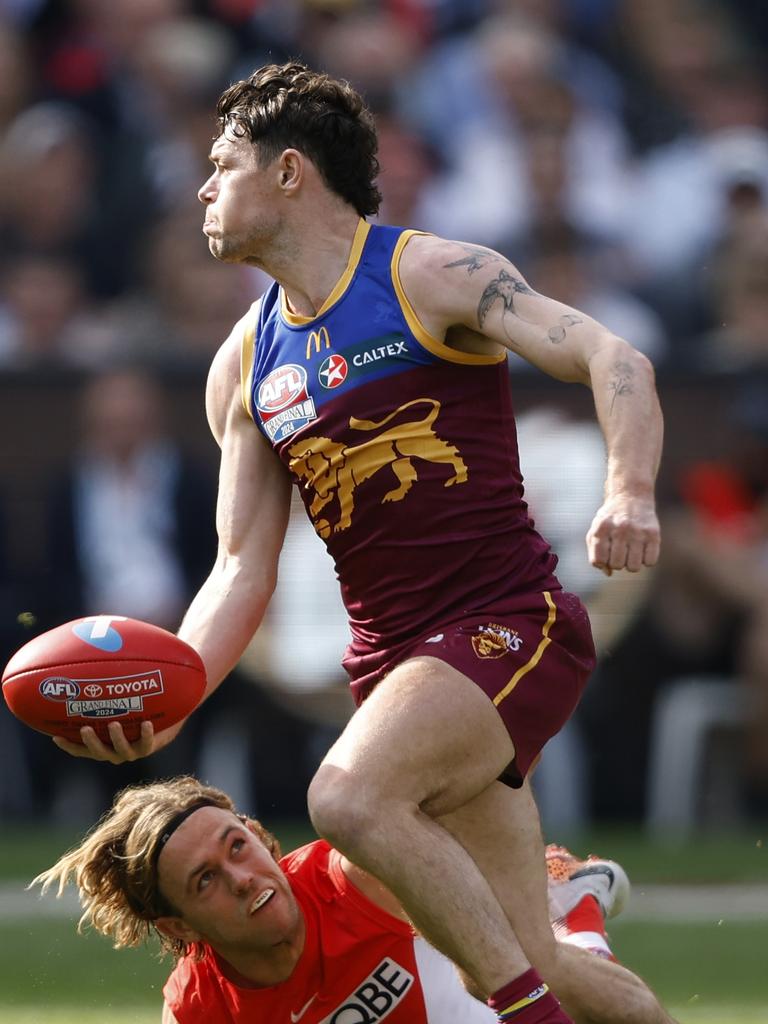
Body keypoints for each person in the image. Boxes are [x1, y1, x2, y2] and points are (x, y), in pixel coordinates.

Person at [53, 62, 667, 1023]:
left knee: (343, 797)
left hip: (508, 625)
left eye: (221, 163)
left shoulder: (428, 274)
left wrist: (628, 490)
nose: (203, 188)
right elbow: (240, 566)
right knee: (518, 949)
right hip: (395, 669)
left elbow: (611, 355)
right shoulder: (246, 364)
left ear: (290, 171)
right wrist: (176, 692)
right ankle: (563, 941)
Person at [33, 776, 633, 1023]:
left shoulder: (357, 875)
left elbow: (476, 794)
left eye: (237, 846)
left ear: (260, 837)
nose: (241, 876)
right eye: (205, 880)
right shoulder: (199, 1010)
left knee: (569, 990)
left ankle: (567, 902)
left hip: (465, 1002)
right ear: (181, 927)